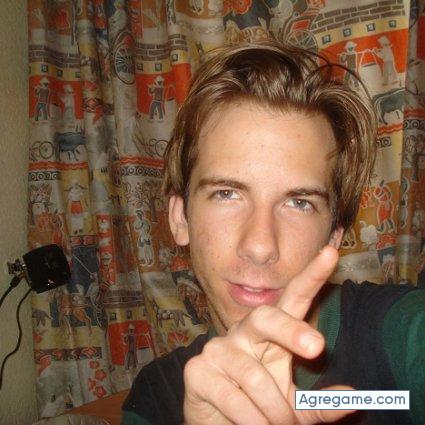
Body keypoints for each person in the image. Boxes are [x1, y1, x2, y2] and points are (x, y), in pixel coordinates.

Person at [122, 41, 425, 424]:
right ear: (180, 217)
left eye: (299, 202)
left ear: (334, 235)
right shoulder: (155, 398)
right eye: (226, 194)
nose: (260, 245)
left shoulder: (403, 333)